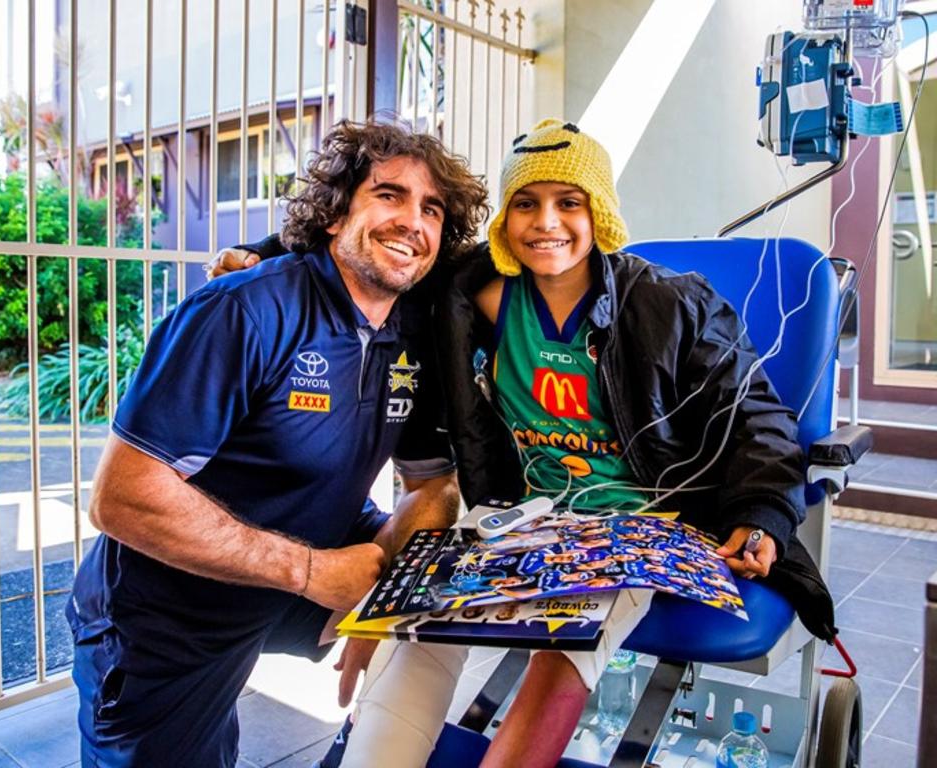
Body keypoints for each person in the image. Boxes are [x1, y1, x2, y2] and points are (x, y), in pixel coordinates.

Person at [213, 119, 835, 768]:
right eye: (526, 204)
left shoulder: (675, 304)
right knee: (417, 633)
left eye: (570, 203)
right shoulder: (468, 289)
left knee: (568, 636)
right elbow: (372, 246)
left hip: (632, 521)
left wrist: (762, 513)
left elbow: (757, 422)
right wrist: (265, 257)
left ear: (601, 216)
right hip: (511, 511)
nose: (547, 224)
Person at [65, 119, 489, 767]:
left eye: (431, 208)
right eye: (389, 195)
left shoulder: (412, 330)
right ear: (333, 213)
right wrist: (316, 574)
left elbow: (432, 485)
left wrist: (379, 605)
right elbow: (123, 498)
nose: (412, 221)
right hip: (167, 617)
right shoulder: (246, 310)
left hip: (288, 567)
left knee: (452, 606)